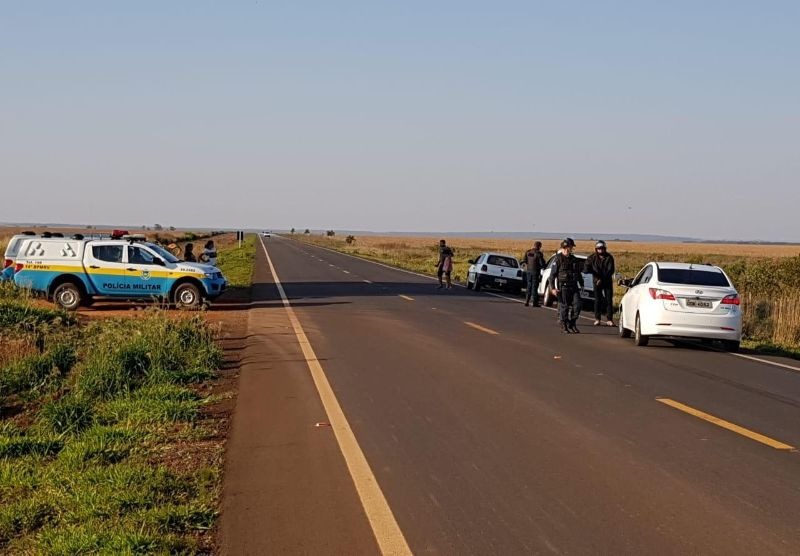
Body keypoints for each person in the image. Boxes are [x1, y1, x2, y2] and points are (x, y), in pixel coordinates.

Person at [549, 238, 584, 333]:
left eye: (571, 247)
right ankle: (564, 325)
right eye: (570, 247)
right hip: (563, 286)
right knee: (564, 307)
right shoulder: (558, 259)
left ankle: (572, 323)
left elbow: (578, 273)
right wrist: (553, 288)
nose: (571, 249)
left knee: (578, 305)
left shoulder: (574, 259)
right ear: (565, 247)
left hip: (574, 286)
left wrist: (582, 284)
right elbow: (552, 275)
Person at [584, 240, 616, 326]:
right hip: (596, 281)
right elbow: (586, 268)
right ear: (596, 249)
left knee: (609, 300)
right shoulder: (592, 258)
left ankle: (609, 319)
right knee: (597, 300)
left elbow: (611, 270)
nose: (601, 251)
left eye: (602, 249)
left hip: (607, 281)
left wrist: (601, 279)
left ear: (605, 249)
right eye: (599, 249)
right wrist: (593, 274)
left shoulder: (609, 257)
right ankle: (597, 319)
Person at [521, 241, 546, 307]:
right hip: (535, 272)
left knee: (529, 286)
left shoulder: (528, 252)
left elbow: (525, 261)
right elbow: (542, 264)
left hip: (528, 271)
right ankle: (534, 302)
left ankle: (527, 301)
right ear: (539, 246)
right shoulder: (539, 254)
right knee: (534, 287)